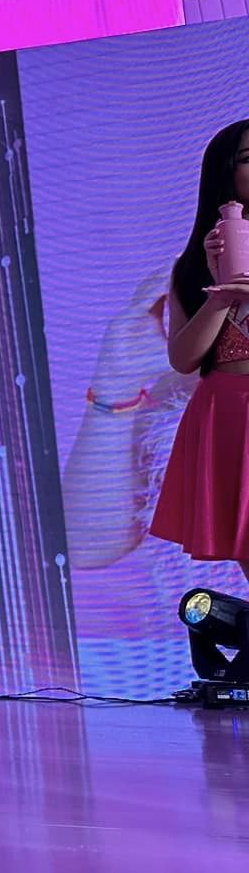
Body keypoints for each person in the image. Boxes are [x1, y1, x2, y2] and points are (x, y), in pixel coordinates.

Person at [153, 121, 249, 576]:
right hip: (227, 416)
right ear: (224, 174)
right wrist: (220, 295)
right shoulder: (192, 264)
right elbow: (183, 359)